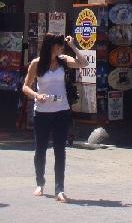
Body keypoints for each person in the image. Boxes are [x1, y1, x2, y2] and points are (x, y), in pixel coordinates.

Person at [22, 32, 88, 202]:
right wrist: (37, 96)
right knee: (41, 149)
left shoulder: (63, 60)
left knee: (60, 150)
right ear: (51, 46)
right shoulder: (36, 64)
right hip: (42, 113)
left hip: (61, 111)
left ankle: (60, 189)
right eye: (59, 45)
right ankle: (40, 183)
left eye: (62, 45)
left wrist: (73, 46)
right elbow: (25, 87)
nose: (61, 47)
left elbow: (84, 63)